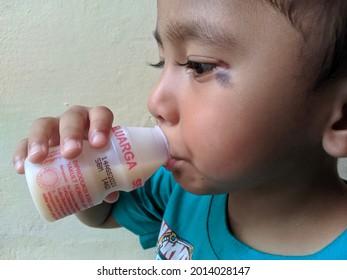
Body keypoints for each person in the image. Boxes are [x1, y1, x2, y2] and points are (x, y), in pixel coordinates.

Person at [13, 0, 347, 259]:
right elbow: (105, 213)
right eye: (162, 62)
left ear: (341, 118)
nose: (155, 101)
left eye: (199, 66)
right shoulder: (177, 191)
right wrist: (83, 168)